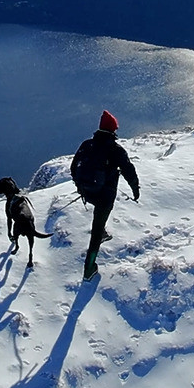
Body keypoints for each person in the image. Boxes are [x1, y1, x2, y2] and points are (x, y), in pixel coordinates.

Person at [70, 109, 140, 281]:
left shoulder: (87, 144)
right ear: (113, 130)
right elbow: (128, 170)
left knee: (98, 222)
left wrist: (80, 186)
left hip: (87, 192)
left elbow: (73, 167)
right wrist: (135, 189)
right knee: (96, 228)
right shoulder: (115, 150)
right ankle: (89, 268)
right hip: (105, 196)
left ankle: (101, 234)